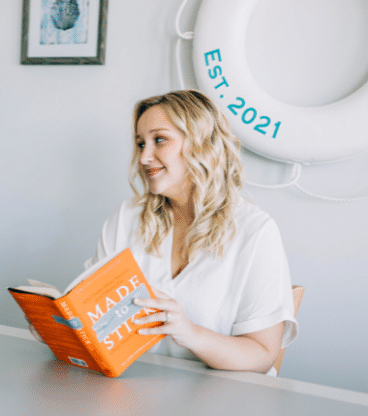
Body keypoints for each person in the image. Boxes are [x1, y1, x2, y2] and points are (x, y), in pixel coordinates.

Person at [86, 89, 297, 375]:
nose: (145, 157)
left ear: (202, 144)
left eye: (159, 140)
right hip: (135, 390)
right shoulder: (127, 218)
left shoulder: (255, 230)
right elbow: (98, 322)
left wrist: (191, 334)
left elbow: (261, 356)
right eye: (140, 143)